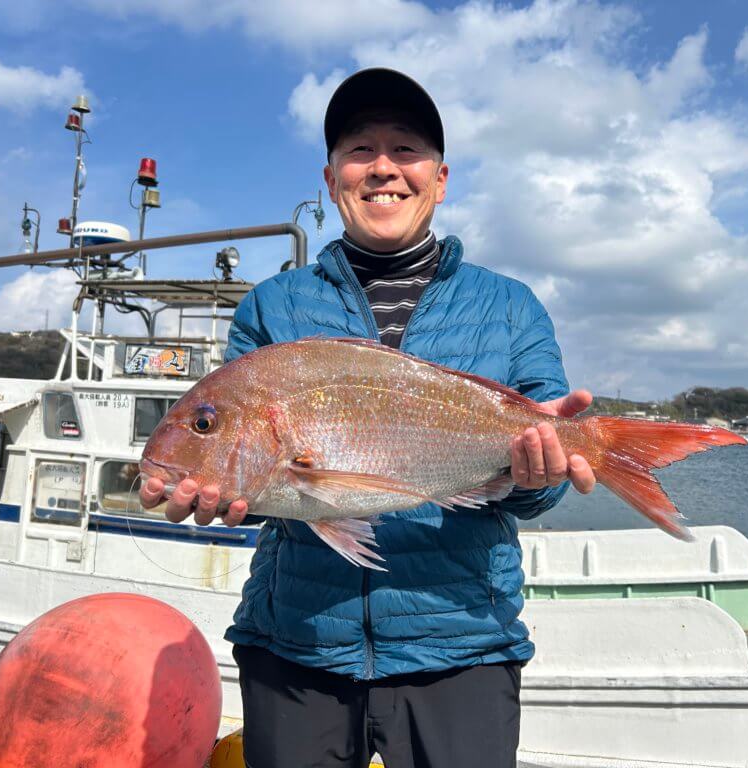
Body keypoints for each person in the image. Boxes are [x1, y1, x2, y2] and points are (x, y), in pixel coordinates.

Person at [139, 67, 596, 768]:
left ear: (440, 179)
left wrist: (542, 467)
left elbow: (540, 496)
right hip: (297, 644)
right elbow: (269, 487)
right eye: (359, 149)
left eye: (406, 149)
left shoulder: (511, 307)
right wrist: (215, 489)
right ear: (331, 180)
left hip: (463, 648)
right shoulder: (271, 307)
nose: (383, 167)